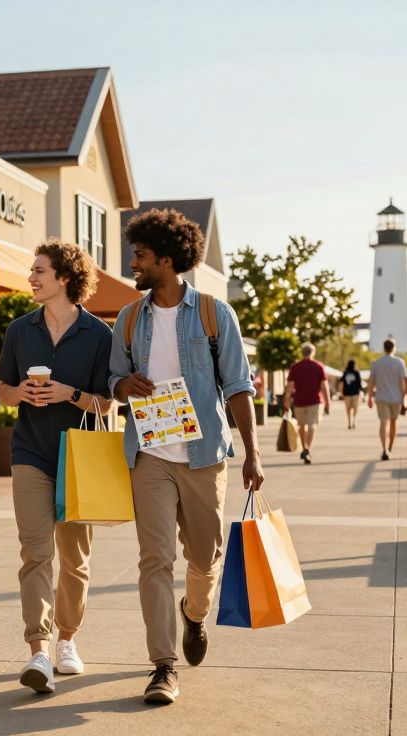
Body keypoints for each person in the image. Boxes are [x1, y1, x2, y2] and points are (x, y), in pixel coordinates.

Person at [110, 208, 263, 705]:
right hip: (148, 453)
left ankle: (193, 615)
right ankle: (162, 665)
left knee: (204, 558)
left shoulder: (214, 314)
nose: (133, 262)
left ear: (168, 261)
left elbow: (238, 386)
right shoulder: (131, 318)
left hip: (204, 455)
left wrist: (253, 454)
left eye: (140, 255)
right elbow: (114, 378)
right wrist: (121, 385)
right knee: (154, 559)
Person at [0, 238, 112, 694]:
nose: (31, 277)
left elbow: (108, 401)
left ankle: (68, 640)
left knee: (75, 559)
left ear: (64, 277)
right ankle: (38, 650)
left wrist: (70, 394)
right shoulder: (20, 330)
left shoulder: (99, 335)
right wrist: (19, 393)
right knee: (35, 551)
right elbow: (2, 390)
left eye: (39, 270)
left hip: (80, 456)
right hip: (30, 453)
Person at [284, 343, 331, 465]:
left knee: (301, 426)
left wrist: (286, 401)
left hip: (299, 401)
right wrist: (328, 402)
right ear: (313, 352)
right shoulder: (319, 366)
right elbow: (324, 387)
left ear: (302, 352)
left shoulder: (295, 367)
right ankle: (307, 449)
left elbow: (289, 387)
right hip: (315, 401)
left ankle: (304, 447)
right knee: (312, 426)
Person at [367, 339, 407, 461]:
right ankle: (390, 448)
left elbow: (371, 382)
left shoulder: (377, 363)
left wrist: (369, 397)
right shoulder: (399, 362)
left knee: (383, 423)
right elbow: (403, 382)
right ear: (394, 348)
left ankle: (384, 448)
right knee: (393, 423)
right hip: (396, 398)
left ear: (384, 348)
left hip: (381, 397)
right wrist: (404, 397)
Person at [340, 359, 363, 429]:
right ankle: (351, 422)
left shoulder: (349, 373)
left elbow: (341, 382)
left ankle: (352, 422)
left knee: (349, 408)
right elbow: (359, 383)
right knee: (354, 408)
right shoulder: (352, 373)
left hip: (349, 393)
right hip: (353, 393)